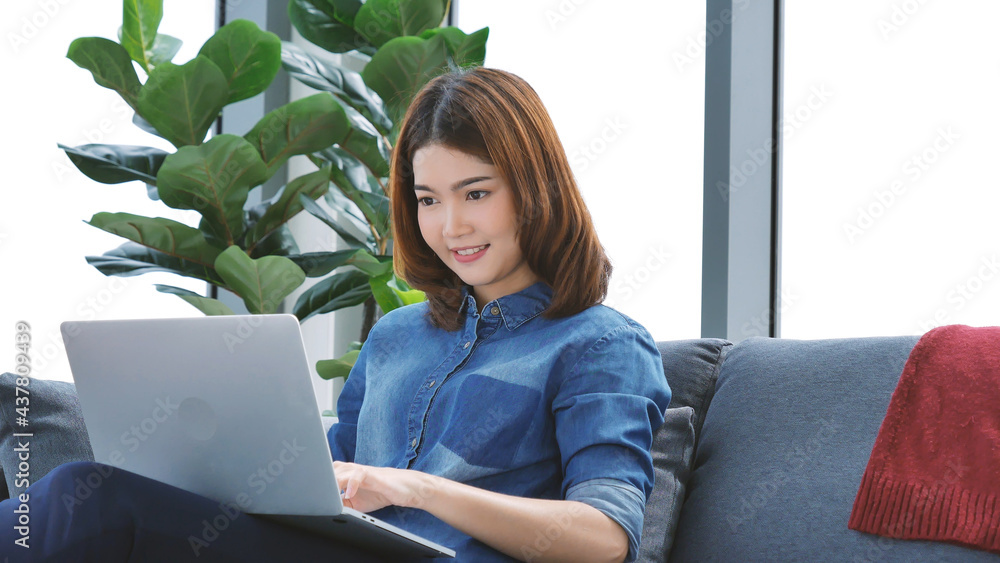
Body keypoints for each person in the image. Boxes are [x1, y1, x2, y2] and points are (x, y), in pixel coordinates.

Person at [0, 66, 670, 563]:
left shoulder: (600, 344)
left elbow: (605, 537)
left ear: (535, 186)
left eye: (476, 192)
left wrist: (413, 488)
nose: (451, 224)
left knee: (89, 498)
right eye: (427, 199)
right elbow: (324, 485)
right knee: (92, 494)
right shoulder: (398, 337)